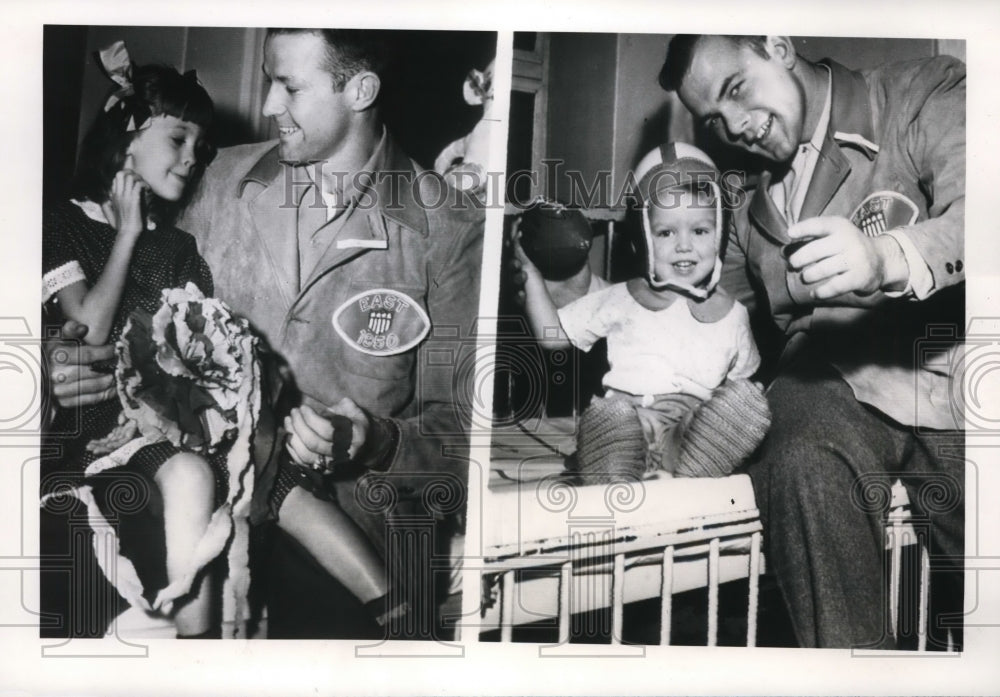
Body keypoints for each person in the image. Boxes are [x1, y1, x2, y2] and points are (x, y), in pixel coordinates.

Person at [48, 28, 483, 639]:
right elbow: (112, 294)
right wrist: (60, 360)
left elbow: (467, 435)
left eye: (290, 86)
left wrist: (376, 441)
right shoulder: (211, 176)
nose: (269, 105)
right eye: (268, 81)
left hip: (356, 531)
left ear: (360, 90)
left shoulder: (450, 223)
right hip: (202, 522)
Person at [658, 35, 965, 648]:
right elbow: (724, 326)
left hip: (951, 369)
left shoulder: (918, 93)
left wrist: (886, 258)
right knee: (798, 450)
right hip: (825, 391)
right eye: (716, 120)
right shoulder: (747, 207)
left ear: (777, 44)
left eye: (737, 88)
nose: (737, 126)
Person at [41, 43, 223, 638]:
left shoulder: (179, 251)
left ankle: (195, 637)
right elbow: (89, 333)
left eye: (200, 147)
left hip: (149, 430)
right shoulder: (59, 224)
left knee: (194, 476)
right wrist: (124, 236)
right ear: (125, 139)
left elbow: (198, 355)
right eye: (177, 139)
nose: (192, 158)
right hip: (76, 436)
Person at [516, 143, 768, 484]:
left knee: (739, 404)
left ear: (720, 236)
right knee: (612, 419)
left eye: (700, 231)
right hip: (628, 421)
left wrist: (740, 410)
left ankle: (694, 465)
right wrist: (529, 273)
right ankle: (613, 465)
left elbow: (740, 386)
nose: (684, 245)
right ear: (641, 237)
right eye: (666, 232)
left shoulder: (734, 315)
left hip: (688, 430)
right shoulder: (622, 297)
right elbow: (553, 338)